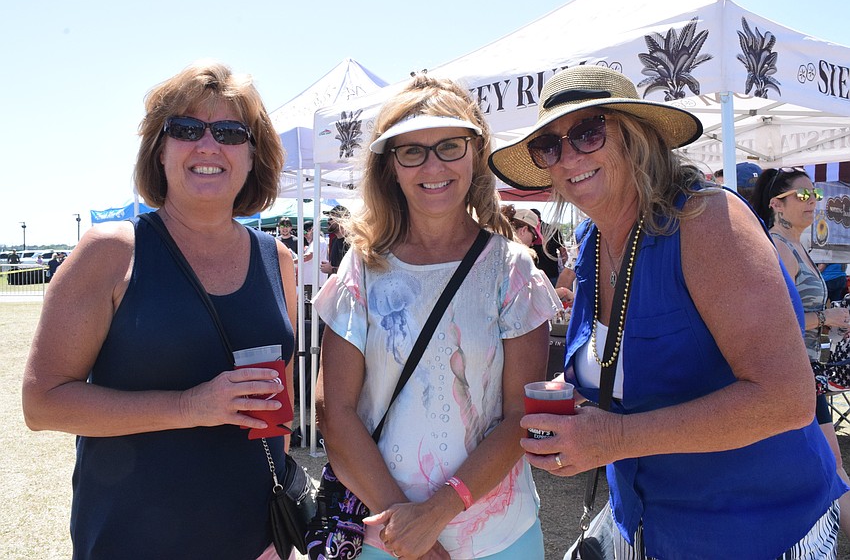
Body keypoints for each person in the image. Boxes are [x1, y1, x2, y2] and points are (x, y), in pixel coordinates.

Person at [489, 65, 847, 559]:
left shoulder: (706, 221)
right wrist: (573, 391)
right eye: (549, 147)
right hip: (641, 521)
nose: (568, 156)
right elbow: (623, 364)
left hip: (752, 531)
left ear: (638, 138)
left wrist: (612, 437)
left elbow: (787, 399)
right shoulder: (593, 242)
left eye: (588, 133)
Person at [21, 60, 297, 559]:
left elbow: (277, 405)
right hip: (133, 539)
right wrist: (191, 406)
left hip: (255, 543)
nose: (208, 145)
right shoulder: (111, 252)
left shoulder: (276, 259)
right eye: (187, 128)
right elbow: (42, 404)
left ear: (254, 156)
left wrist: (279, 534)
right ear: (160, 149)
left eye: (231, 131)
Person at [314, 75, 560, 560]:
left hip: (500, 538)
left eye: (450, 146)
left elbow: (520, 415)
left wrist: (436, 514)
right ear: (391, 167)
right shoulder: (362, 268)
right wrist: (407, 529)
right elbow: (333, 412)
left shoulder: (511, 269)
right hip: (382, 538)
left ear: (475, 152)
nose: (433, 165)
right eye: (412, 151)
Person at [750, 166, 850, 539]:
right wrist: (827, 316)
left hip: (813, 372)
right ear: (777, 203)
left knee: (826, 464)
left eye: (816, 195)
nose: (814, 203)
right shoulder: (776, 247)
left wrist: (832, 322)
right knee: (828, 465)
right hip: (793, 374)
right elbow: (774, 319)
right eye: (804, 196)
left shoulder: (798, 246)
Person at [321, 204, 350, 276]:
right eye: (328, 218)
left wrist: (332, 269)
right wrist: (330, 265)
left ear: (342, 219)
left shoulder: (352, 242)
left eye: (331, 218)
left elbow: (354, 271)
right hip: (336, 285)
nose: (328, 221)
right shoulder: (334, 240)